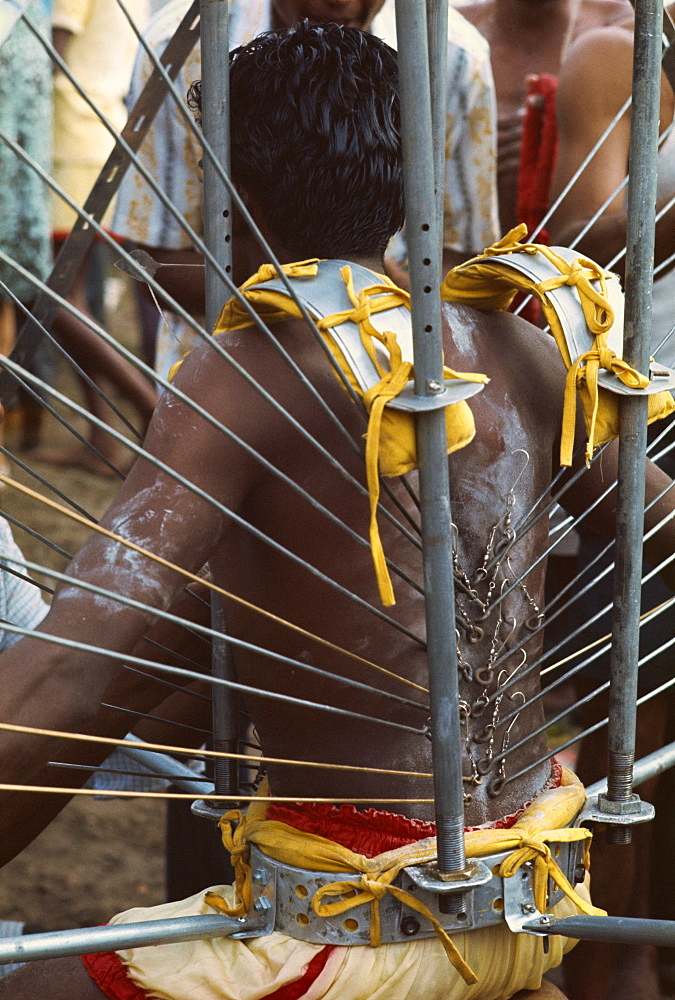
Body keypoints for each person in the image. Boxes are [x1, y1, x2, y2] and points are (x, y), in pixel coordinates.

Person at [0, 21, 674, 1000]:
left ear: (236, 193)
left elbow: (67, 673)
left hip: (361, 932)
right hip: (534, 897)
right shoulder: (520, 343)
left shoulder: (252, 370)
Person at [112, 0, 500, 378]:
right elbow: (157, 261)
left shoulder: (452, 58)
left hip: (405, 368)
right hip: (227, 364)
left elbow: (462, 258)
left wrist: (392, 302)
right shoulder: (180, 49)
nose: (339, 1)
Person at [459, 0, 630, 235]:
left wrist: (564, 138)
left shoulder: (622, 31)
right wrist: (468, 149)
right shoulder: (453, 34)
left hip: (571, 262)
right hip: (455, 257)